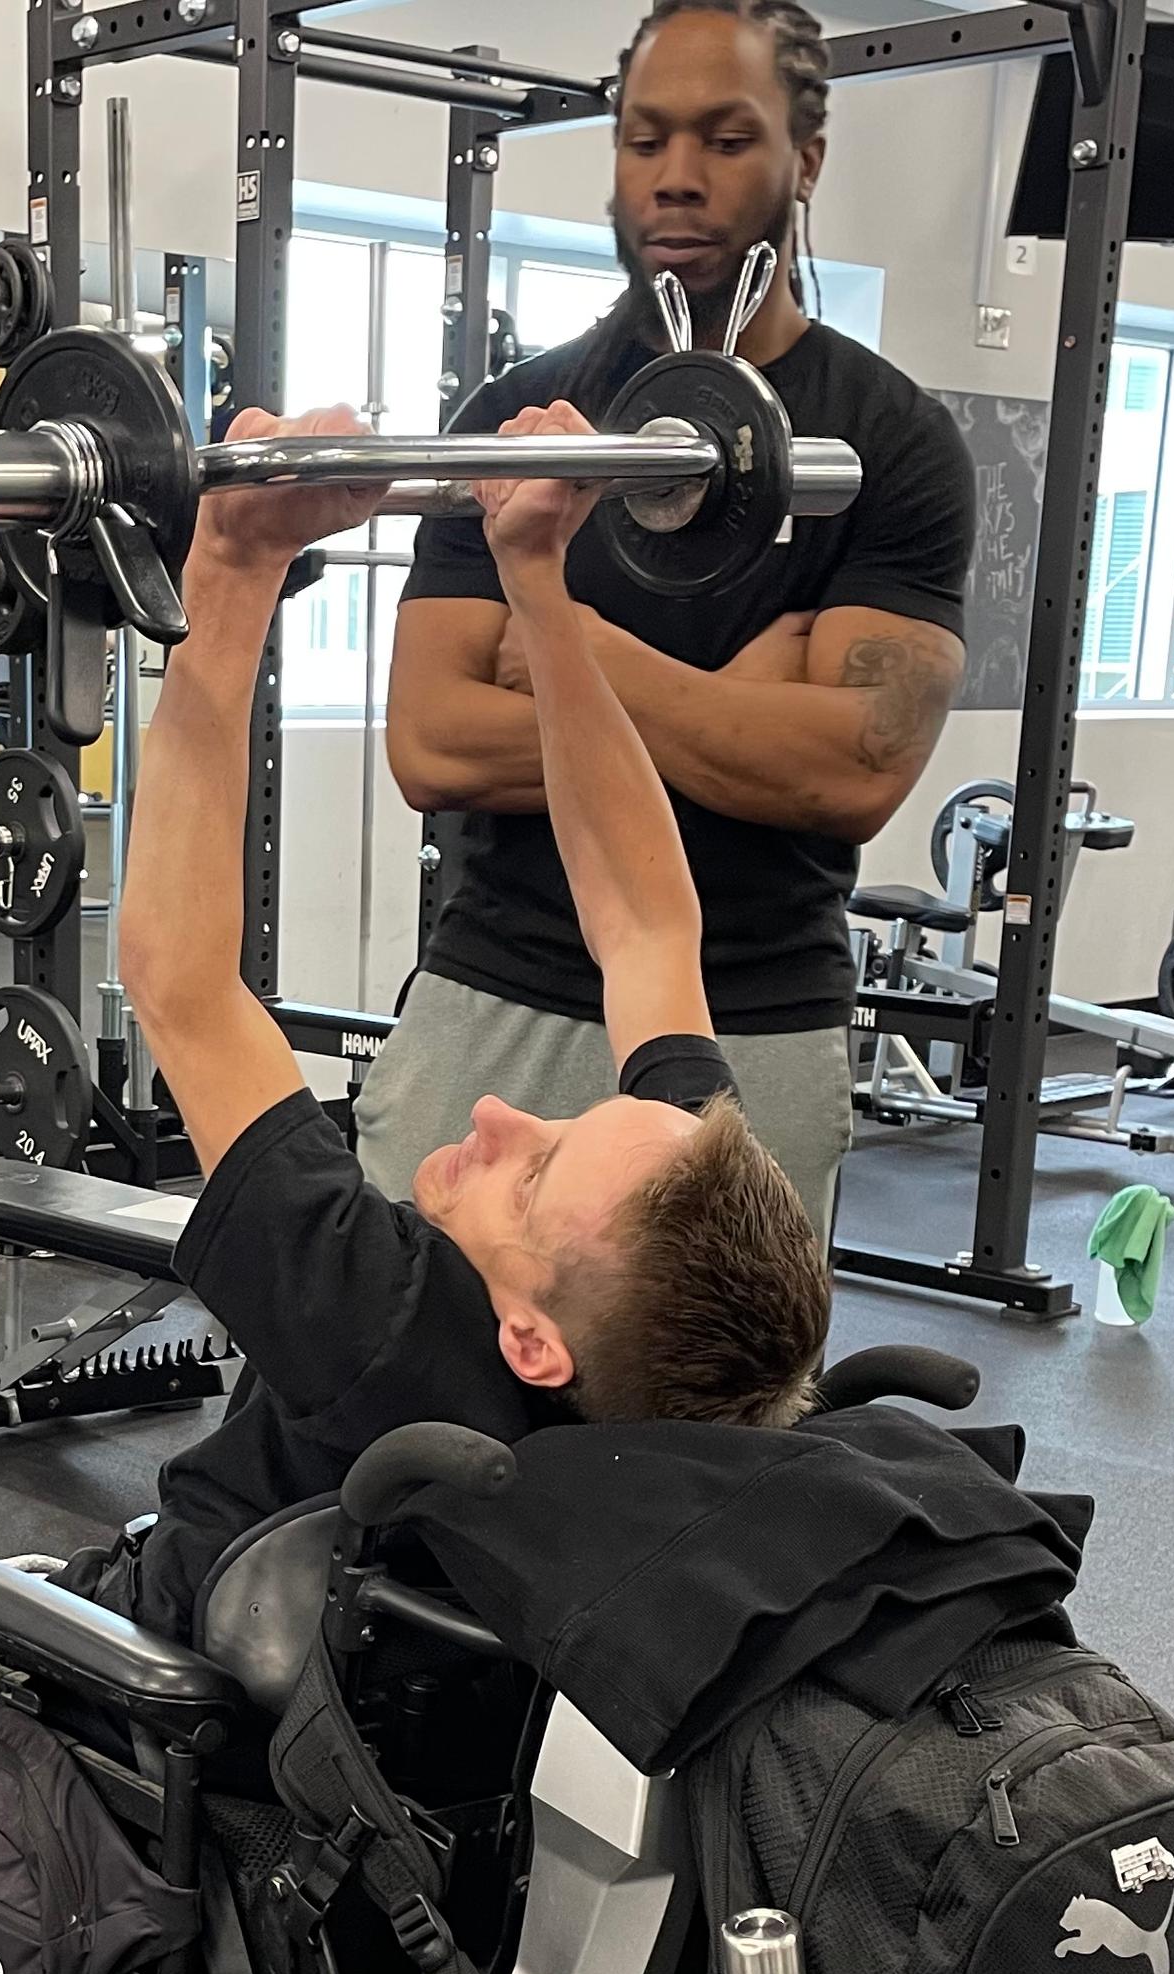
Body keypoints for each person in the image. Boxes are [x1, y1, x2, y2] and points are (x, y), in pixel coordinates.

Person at [0, 397, 833, 1974]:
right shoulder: (694, 1338)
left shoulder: (389, 1318)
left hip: (203, 1670)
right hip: (432, 1755)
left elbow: (181, 982)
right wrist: (539, 580)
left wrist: (234, 577)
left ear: (531, 1337)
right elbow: (645, 920)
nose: (495, 1110)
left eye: (530, 1168)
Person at [375, 0, 974, 1228]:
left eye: (725, 138)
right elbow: (432, 741)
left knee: (711, 1412)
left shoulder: (893, 442)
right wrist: (752, 701)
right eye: (645, 141)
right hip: (498, 992)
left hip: (756, 1015)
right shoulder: (520, 418)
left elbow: (849, 775)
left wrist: (561, 649)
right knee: (388, 1392)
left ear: (805, 158)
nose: (678, 180)